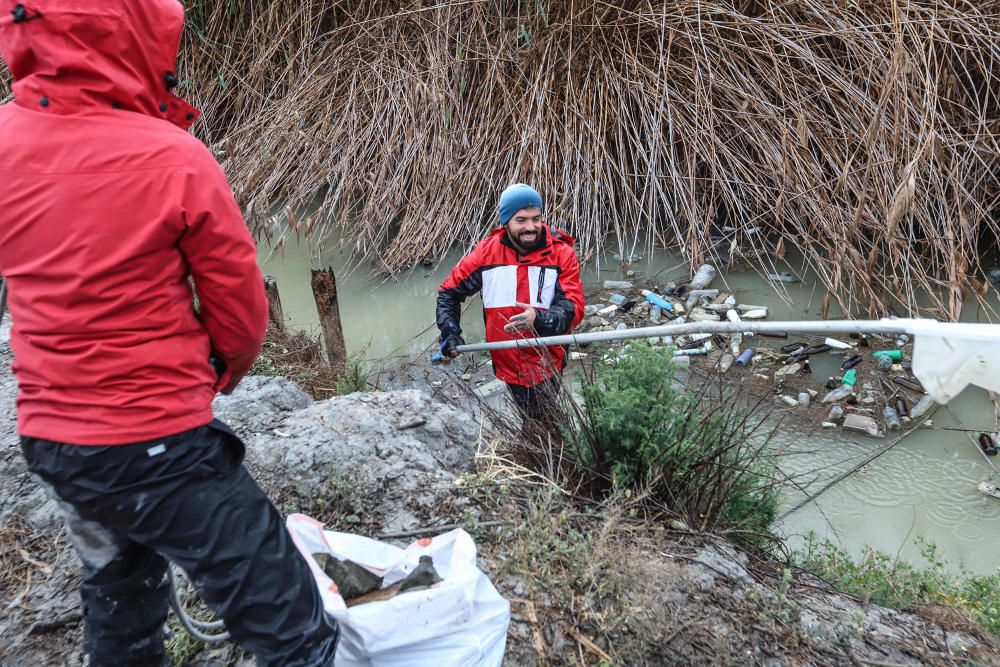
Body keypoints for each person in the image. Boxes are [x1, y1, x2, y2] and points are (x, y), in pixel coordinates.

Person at [0, 3, 338, 666]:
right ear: (130, 37)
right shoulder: (175, 158)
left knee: (120, 599)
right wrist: (221, 371)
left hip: (53, 442)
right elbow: (240, 315)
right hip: (159, 445)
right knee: (290, 619)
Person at [436, 183, 585, 427]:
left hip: (548, 355)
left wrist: (539, 319)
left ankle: (546, 453)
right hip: (507, 359)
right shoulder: (487, 253)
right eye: (521, 220)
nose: (531, 227)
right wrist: (451, 334)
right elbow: (448, 294)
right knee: (535, 418)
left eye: (536, 218)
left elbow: (573, 308)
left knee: (543, 419)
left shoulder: (561, 254)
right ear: (506, 222)